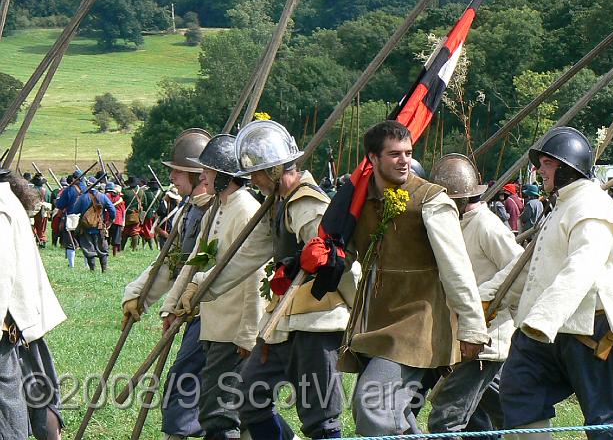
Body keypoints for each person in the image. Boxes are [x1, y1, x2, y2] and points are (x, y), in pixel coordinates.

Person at [177, 120, 355, 440]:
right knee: (248, 399)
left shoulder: (306, 202)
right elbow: (245, 256)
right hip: (283, 321)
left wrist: (358, 315)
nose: (253, 180)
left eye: (258, 172)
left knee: (321, 417)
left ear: (275, 170)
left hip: (318, 322)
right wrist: (201, 287)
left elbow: (338, 264)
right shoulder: (277, 204)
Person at [487, 127, 613, 440]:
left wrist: (541, 319)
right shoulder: (563, 205)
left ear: (567, 166)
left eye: (546, 163)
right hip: (551, 328)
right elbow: (535, 269)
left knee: (608, 423)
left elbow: (582, 268)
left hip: (597, 330)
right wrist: (488, 298)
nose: (539, 170)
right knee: (520, 390)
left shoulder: (592, 206)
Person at [337, 121, 488, 436]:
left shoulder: (431, 200)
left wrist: (472, 327)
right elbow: (344, 258)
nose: (404, 160)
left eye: (407, 153)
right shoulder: (357, 202)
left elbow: (456, 268)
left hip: (418, 327)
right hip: (376, 327)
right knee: (396, 417)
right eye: (394, 154)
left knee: (373, 404)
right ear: (373, 159)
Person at [164, 134, 267, 439]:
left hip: (233, 329)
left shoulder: (246, 211)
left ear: (224, 176)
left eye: (208, 171)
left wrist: (248, 333)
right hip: (212, 323)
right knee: (224, 408)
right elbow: (194, 262)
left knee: (220, 413)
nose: (203, 177)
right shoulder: (216, 209)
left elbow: (254, 276)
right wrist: (171, 306)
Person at [122, 128, 212, 440]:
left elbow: (203, 267)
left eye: (177, 171)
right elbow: (171, 263)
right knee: (215, 394)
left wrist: (176, 305)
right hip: (195, 313)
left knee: (187, 384)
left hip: (215, 313)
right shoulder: (189, 210)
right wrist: (138, 297)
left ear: (200, 175)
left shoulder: (217, 212)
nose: (172, 177)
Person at [427, 153, 522, 437]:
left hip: (484, 339)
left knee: (446, 420)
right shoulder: (457, 224)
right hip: (464, 337)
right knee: (484, 421)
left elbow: (519, 268)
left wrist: (483, 300)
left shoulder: (485, 225)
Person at [1, 168, 67, 440]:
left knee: (8, 407)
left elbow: (1, 275)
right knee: (37, 391)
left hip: (10, 323)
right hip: (20, 318)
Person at [70, 176, 116, 272]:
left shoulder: (83, 197)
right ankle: (104, 270)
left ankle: (93, 270)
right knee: (102, 249)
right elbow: (112, 210)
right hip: (99, 227)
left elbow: (75, 210)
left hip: (85, 227)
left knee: (88, 249)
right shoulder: (103, 196)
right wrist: (110, 221)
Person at [55, 170, 85, 267]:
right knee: (85, 243)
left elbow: (60, 205)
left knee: (70, 242)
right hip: (84, 219)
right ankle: (87, 265)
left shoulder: (69, 190)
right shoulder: (87, 189)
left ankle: (71, 265)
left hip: (71, 218)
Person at [122, 176, 144, 251]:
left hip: (127, 214)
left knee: (125, 231)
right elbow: (145, 203)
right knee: (135, 231)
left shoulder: (124, 191)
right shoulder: (141, 191)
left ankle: (121, 248)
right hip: (136, 214)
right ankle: (134, 248)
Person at [105, 182, 126, 256]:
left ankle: (106, 252)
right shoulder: (120, 199)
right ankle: (114, 254)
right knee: (115, 239)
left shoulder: (106, 197)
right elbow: (123, 212)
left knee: (107, 237)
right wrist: (123, 223)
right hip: (118, 220)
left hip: (108, 219)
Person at [31, 173, 51, 248]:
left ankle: (36, 242)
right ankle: (42, 241)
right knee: (42, 229)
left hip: (33, 212)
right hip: (44, 212)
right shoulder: (47, 191)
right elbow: (49, 201)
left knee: (33, 227)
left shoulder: (31, 190)